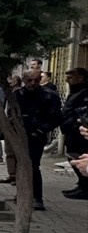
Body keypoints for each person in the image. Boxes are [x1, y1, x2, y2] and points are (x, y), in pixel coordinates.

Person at [17, 69, 63, 211]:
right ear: (24, 80)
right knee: (21, 164)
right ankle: (22, 193)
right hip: (20, 134)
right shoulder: (17, 94)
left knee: (33, 165)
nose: (33, 83)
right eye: (30, 80)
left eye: (36, 80)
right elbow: (11, 112)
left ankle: (37, 197)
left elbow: (56, 117)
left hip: (37, 135)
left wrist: (41, 129)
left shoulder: (49, 96)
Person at [59, 67, 88, 200]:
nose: (67, 80)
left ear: (80, 78)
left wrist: (75, 126)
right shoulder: (75, 91)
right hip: (70, 130)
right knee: (72, 155)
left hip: (79, 131)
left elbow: (81, 113)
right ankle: (81, 185)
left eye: (71, 77)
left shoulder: (84, 92)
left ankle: (85, 187)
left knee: (78, 157)